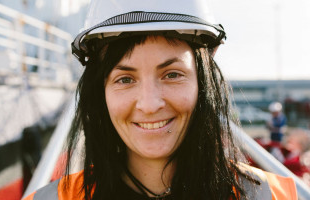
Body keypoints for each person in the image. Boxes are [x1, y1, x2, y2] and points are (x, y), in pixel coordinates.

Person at [23, 0, 298, 199]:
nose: (150, 103)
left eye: (172, 74)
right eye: (125, 79)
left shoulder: (275, 195)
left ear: (203, 84)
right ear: (100, 93)